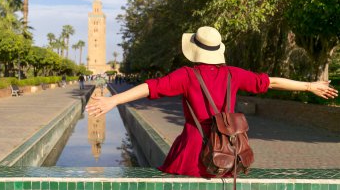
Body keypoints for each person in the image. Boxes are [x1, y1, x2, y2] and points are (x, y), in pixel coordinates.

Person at [86, 26, 338, 178]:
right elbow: (270, 82)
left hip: (190, 155)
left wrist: (114, 100)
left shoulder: (186, 75)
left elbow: (150, 87)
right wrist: (309, 86)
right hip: (226, 155)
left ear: (194, 49)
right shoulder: (233, 74)